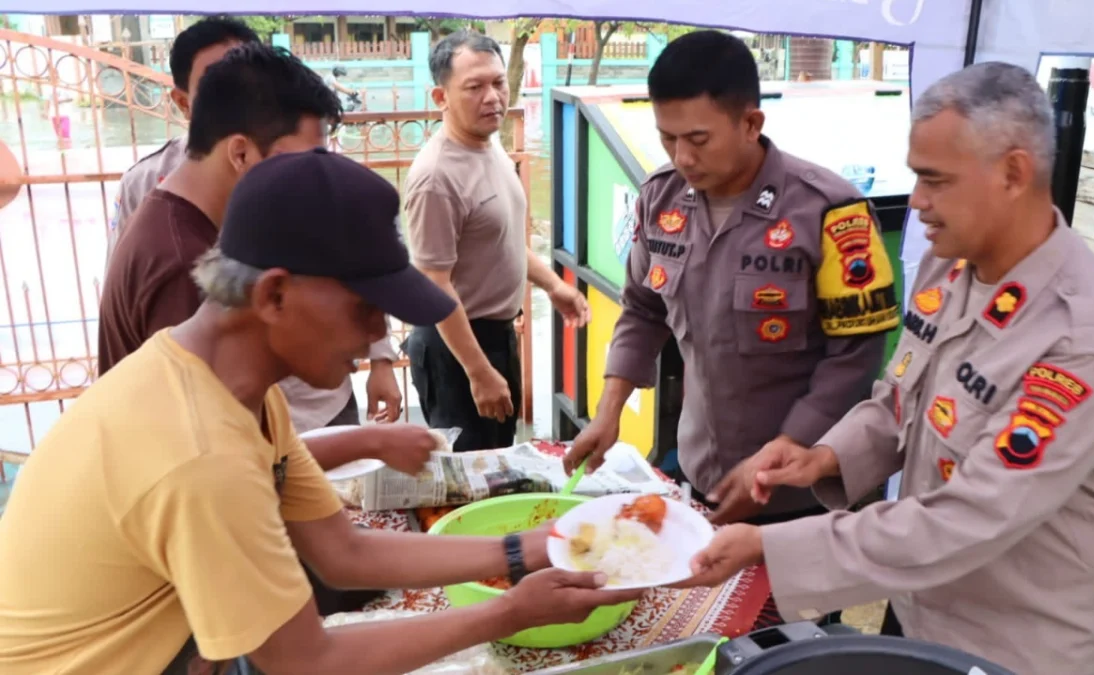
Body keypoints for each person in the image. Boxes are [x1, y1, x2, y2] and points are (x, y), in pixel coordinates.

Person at [0, 148, 641, 675]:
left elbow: (345, 553)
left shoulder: (229, 388)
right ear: (275, 294)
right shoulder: (199, 451)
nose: (375, 335)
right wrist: (507, 613)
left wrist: (529, 548)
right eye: (365, 309)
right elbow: (304, 661)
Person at [677, 62, 1094, 675]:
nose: (918, 203)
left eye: (935, 181)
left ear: (1013, 172)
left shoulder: (1079, 339)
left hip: (1023, 646)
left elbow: (967, 520)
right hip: (924, 605)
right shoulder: (950, 265)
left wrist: (769, 545)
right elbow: (903, 398)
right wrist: (823, 456)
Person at [563, 31, 897, 528]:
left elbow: (856, 352)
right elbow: (642, 309)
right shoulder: (661, 199)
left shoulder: (828, 211)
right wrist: (609, 410)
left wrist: (789, 445)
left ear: (750, 123)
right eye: (667, 138)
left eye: (698, 140)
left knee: (787, 607)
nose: (682, 157)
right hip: (702, 471)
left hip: (799, 491)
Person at [98, 40, 403, 434]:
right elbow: (209, 445)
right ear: (240, 154)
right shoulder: (181, 262)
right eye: (301, 165)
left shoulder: (187, 225)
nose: (314, 183)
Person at [403, 30, 590, 451]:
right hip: (457, 346)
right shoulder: (437, 176)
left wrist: (553, 285)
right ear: (441, 97)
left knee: (500, 460)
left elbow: (501, 242)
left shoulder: (488, 147)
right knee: (470, 479)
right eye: (474, 87)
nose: (492, 97)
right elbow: (434, 281)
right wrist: (478, 371)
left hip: (495, 336)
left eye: (498, 82)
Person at [105, 16, 259, 269]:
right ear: (183, 102)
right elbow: (121, 281)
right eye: (217, 85)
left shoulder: (288, 171)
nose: (237, 96)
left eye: (247, 80)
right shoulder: (144, 182)